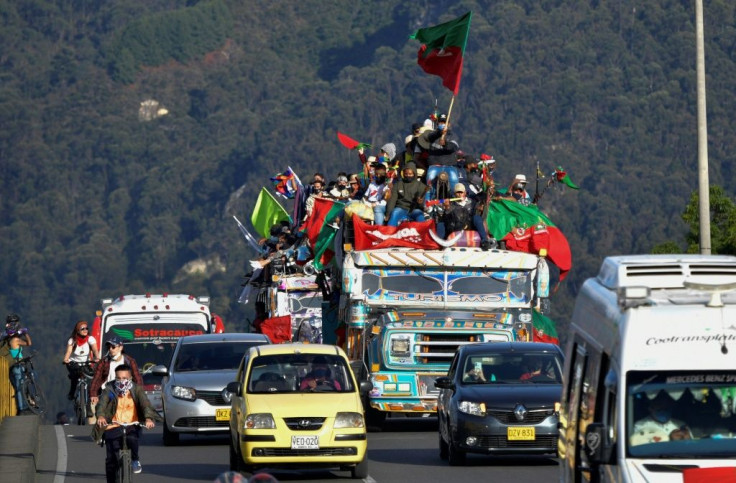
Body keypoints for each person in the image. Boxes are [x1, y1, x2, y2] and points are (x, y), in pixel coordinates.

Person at [93, 364, 158, 481]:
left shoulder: (137, 389)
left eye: (124, 378)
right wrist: (101, 416)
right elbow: (102, 404)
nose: (121, 381)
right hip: (113, 425)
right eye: (118, 378)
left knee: (132, 439)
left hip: (131, 424)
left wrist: (148, 418)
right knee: (111, 458)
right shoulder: (109, 388)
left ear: (130, 378)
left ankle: (135, 460)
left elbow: (145, 404)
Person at [436, 184, 494, 251]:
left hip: (468, 225)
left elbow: (483, 198)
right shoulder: (450, 204)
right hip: (455, 226)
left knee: (477, 218)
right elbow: (447, 219)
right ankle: (441, 244)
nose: (459, 194)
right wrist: (447, 208)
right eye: (457, 193)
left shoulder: (472, 202)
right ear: (454, 194)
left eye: (461, 192)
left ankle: (484, 241)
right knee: (441, 223)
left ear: (465, 193)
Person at [90, 336, 143, 408]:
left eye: (113, 347)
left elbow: (137, 379)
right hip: (107, 392)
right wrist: (93, 394)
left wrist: (139, 395)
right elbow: (96, 378)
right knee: (92, 409)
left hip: (125, 393)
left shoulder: (129, 361)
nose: (110, 349)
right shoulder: (104, 361)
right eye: (109, 347)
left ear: (120, 347)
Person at [0, 314, 34, 414]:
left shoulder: (6, 340)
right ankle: (22, 407)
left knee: (17, 387)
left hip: (9, 365)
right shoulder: (16, 340)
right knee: (21, 386)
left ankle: (22, 405)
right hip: (18, 364)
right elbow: (29, 343)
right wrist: (25, 333)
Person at [63, 320, 100, 400]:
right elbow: (69, 351)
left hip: (86, 363)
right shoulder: (72, 340)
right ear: (78, 330)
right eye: (82, 329)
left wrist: (97, 357)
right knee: (74, 378)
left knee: (92, 376)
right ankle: (72, 393)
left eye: (86, 328)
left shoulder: (90, 339)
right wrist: (66, 359)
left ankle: (95, 393)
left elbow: (95, 349)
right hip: (74, 363)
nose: (85, 330)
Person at [385, 162, 428, 227]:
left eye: (410, 174)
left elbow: (423, 204)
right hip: (400, 208)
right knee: (395, 213)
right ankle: (389, 232)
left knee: (420, 216)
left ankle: (423, 234)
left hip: (414, 209)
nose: (408, 175)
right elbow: (392, 200)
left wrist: (420, 202)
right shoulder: (398, 184)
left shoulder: (420, 185)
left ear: (414, 173)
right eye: (406, 174)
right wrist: (388, 213)